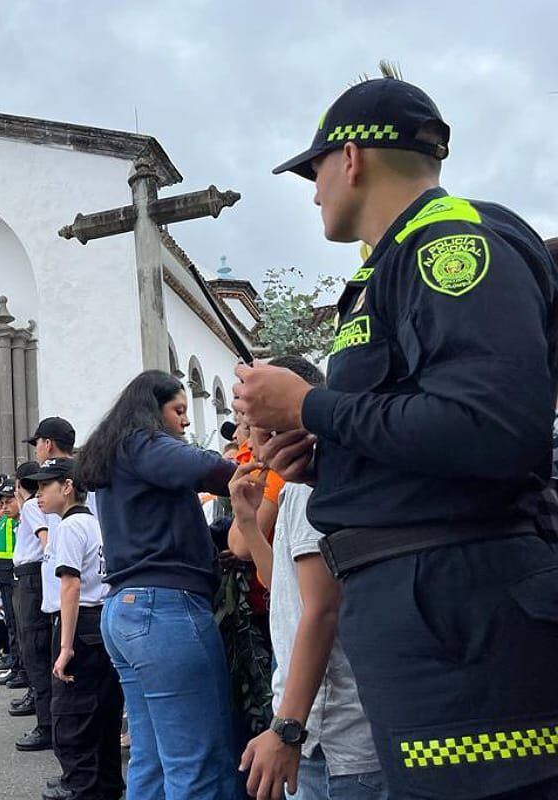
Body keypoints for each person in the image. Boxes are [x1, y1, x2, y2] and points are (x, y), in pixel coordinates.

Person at [233, 77, 558, 800]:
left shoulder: (450, 245)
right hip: (427, 620)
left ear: (350, 156)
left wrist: (314, 407)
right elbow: (428, 438)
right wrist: (329, 460)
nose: (313, 191)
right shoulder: (389, 268)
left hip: (463, 617)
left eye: (312, 170)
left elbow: (494, 427)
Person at [230, 358, 386, 800]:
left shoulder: (306, 489)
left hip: (329, 736)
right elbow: (288, 592)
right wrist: (246, 519)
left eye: (248, 414)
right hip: (324, 730)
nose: (243, 431)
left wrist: (287, 728)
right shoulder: (308, 483)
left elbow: (321, 612)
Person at [78, 370, 237, 799]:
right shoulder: (142, 443)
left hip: (128, 609)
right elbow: (208, 468)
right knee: (197, 761)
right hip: (162, 610)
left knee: (152, 759)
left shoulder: (119, 455)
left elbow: (162, 530)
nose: (185, 422)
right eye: (179, 410)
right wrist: (257, 465)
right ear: (153, 410)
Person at [29, 457, 123, 800]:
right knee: (102, 706)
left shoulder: (69, 527)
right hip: (99, 620)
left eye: (44, 486)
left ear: (67, 487)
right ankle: (106, 782)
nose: (38, 495)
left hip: (78, 621)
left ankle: (80, 783)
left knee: (72, 709)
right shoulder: (94, 523)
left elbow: (71, 585)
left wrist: (65, 646)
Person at [13, 461, 62, 751]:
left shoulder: (32, 506)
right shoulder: (45, 506)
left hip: (33, 575)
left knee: (34, 649)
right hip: (38, 574)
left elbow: (45, 540)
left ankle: (46, 724)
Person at [0, 484, 26, 686]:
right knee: (12, 625)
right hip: (3, 575)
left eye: (8, 501)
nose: (4, 507)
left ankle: (23, 668)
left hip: (16, 575)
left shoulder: (24, 521)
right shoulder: (5, 521)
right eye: (1, 503)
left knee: (20, 626)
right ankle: (16, 665)